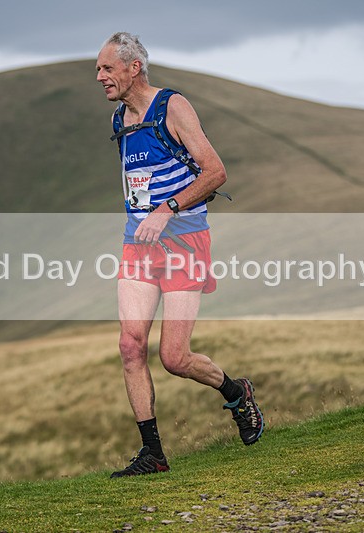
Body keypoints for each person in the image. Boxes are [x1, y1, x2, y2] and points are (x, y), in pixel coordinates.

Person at [96, 32, 264, 478]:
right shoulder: (119, 119)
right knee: (130, 346)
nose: (99, 77)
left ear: (134, 68)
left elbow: (215, 172)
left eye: (107, 68)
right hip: (138, 243)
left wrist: (167, 209)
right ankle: (152, 453)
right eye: (98, 69)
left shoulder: (173, 106)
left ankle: (237, 393)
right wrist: (142, 218)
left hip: (184, 240)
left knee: (174, 357)